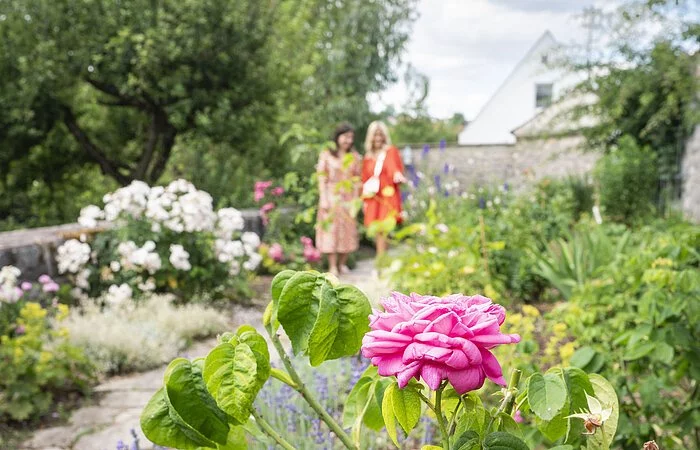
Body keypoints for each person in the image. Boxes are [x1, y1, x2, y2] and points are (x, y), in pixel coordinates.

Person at [315, 122, 362, 276]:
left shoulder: (354, 157)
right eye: (345, 136)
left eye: (351, 137)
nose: (348, 140)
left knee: (348, 231)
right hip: (331, 195)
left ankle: (342, 264)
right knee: (331, 231)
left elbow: (357, 179)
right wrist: (323, 198)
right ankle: (332, 266)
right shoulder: (327, 154)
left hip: (348, 197)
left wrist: (356, 200)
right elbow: (322, 177)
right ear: (338, 137)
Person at [361, 121, 406, 259]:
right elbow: (365, 178)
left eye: (381, 135)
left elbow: (394, 168)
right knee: (376, 229)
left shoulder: (390, 151)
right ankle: (382, 259)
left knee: (384, 228)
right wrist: (363, 200)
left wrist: (397, 175)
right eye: (375, 135)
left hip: (387, 195)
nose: (378, 138)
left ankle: (380, 260)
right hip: (373, 197)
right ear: (371, 137)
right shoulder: (368, 157)